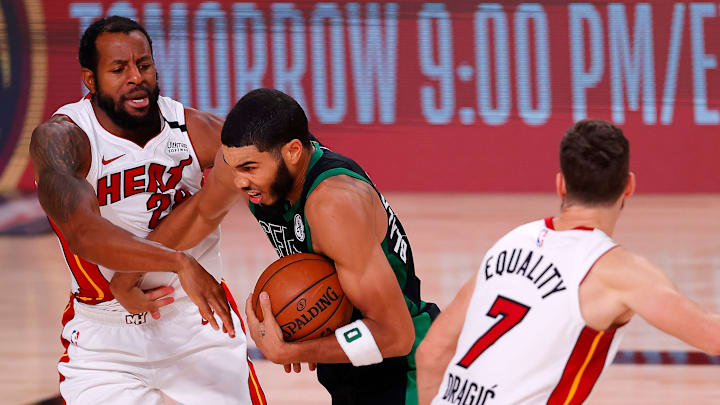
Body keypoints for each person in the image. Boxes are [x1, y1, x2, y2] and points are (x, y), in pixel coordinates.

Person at [112, 88, 441, 405]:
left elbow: (396, 335)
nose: (240, 181)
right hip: (352, 364)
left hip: (407, 371)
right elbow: (201, 213)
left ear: (293, 152)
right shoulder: (252, 166)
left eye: (249, 169)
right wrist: (130, 273)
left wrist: (291, 351)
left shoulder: (332, 205)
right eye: (233, 165)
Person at [29, 16, 265, 404]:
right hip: (105, 334)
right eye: (118, 69)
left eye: (144, 64)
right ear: (90, 80)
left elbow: (276, 164)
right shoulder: (64, 138)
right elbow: (84, 233)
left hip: (196, 316)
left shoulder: (192, 129)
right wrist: (179, 262)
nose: (135, 77)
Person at [415, 119, 720, 405]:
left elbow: (431, 353)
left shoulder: (508, 242)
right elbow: (712, 337)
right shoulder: (619, 272)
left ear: (561, 185)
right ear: (629, 186)